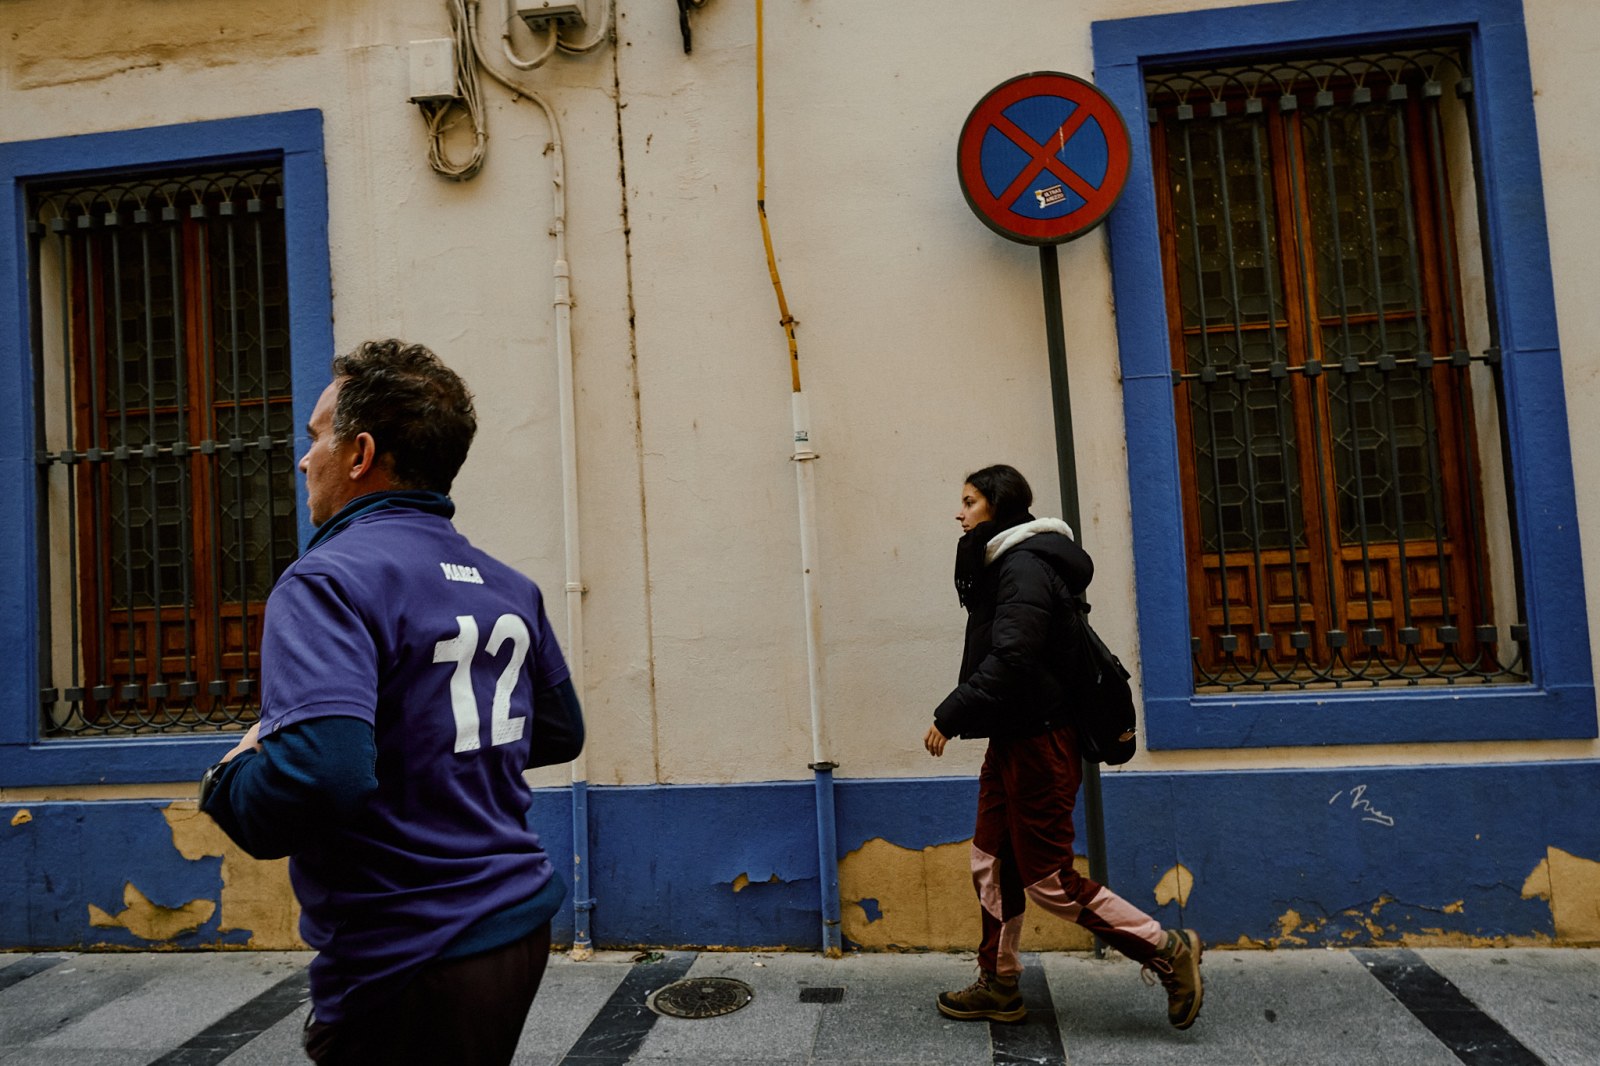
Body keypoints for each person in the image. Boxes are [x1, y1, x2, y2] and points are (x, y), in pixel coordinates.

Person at [198, 339, 584, 1065]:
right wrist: (420, 739)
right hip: (518, 921)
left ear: (360, 454)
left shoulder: (326, 581)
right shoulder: (507, 584)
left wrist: (228, 781)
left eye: (316, 437)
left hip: (411, 949)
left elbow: (322, 774)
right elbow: (560, 731)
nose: (305, 458)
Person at [925, 464, 1203, 1030]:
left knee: (1047, 881)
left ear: (997, 507)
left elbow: (1013, 657)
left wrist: (949, 715)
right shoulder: (1006, 564)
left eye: (970, 501)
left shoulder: (1022, 567)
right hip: (1013, 737)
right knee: (991, 863)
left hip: (1040, 743)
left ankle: (1165, 947)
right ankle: (1000, 984)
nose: (960, 512)